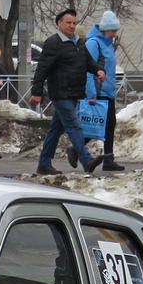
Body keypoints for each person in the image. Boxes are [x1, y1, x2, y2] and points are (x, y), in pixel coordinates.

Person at [29, 9, 106, 175]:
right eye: (68, 23)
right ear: (59, 23)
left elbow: (88, 62)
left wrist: (98, 70)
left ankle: (44, 164)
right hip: (60, 92)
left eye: (74, 23)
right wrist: (37, 92)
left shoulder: (78, 43)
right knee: (74, 125)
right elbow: (41, 69)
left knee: (55, 130)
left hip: (74, 93)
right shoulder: (53, 43)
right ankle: (86, 160)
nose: (72, 26)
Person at [68, 10, 125, 172]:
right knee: (98, 125)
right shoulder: (94, 43)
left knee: (108, 125)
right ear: (104, 30)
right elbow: (87, 69)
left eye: (116, 31)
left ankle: (108, 159)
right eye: (112, 31)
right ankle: (76, 148)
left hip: (107, 91)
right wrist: (91, 94)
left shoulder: (106, 44)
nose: (114, 34)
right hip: (98, 93)